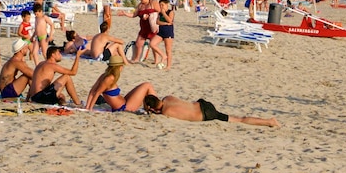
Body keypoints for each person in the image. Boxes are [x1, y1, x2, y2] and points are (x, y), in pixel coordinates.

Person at [143, 94, 279, 127]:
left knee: (239, 120)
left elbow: (168, 115)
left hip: (206, 114)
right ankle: (269, 121)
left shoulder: (167, 112)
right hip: (202, 104)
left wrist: (156, 113)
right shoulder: (168, 98)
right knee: (237, 117)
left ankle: (269, 121)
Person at [83, 54, 157, 112]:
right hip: (123, 108)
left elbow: (92, 90)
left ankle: (153, 106)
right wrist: (90, 108)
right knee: (147, 85)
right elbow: (97, 93)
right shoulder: (109, 78)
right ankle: (157, 106)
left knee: (144, 87)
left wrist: (87, 106)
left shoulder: (105, 76)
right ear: (119, 67)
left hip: (124, 102)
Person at [130, 0, 164, 66]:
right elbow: (134, 15)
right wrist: (124, 14)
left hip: (152, 27)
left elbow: (159, 12)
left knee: (153, 45)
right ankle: (136, 59)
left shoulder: (153, 3)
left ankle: (156, 60)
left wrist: (149, 15)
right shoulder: (140, 5)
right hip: (144, 27)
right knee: (138, 44)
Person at [154, 0, 176, 70]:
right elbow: (157, 22)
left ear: (167, 5)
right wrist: (165, 23)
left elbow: (170, 20)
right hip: (161, 32)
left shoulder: (170, 12)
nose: (161, 6)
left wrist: (164, 13)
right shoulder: (159, 13)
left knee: (168, 50)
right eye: (160, 5)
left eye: (162, 5)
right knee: (152, 44)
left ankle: (168, 66)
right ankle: (163, 55)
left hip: (168, 32)